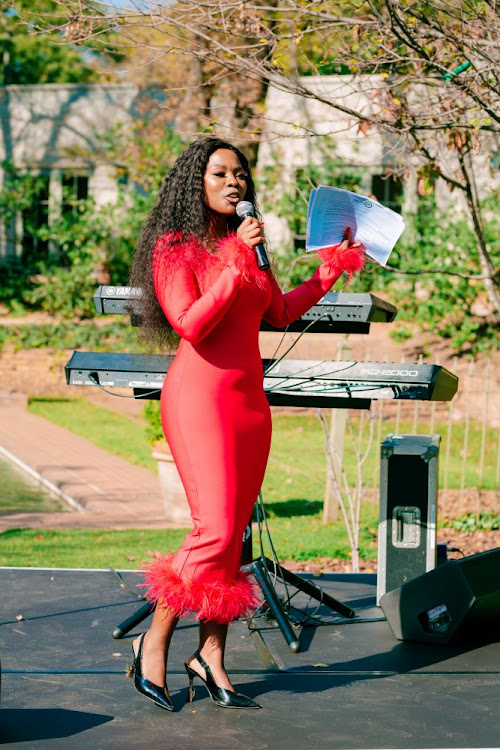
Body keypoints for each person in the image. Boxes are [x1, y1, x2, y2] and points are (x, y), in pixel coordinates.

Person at [127, 137, 364, 711]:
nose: (235, 183)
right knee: (213, 530)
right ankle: (151, 640)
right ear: (195, 183)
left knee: (231, 538)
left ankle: (211, 656)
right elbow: (191, 324)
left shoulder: (247, 247)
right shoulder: (175, 246)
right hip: (199, 399)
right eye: (220, 174)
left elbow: (278, 311)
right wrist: (234, 260)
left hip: (249, 404)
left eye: (241, 174)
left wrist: (332, 269)